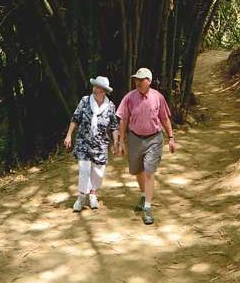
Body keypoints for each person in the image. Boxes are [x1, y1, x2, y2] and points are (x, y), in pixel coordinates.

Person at [114, 67, 176, 225]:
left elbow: (164, 118)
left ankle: (147, 207)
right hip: (134, 138)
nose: (138, 82)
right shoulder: (129, 97)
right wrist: (121, 141)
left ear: (149, 81)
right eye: (136, 79)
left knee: (149, 170)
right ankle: (143, 195)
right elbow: (123, 119)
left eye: (141, 80)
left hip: (154, 138)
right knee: (137, 170)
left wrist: (171, 137)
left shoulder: (158, 97)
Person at [64, 75, 118, 212]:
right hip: (84, 141)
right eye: (94, 86)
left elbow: (113, 126)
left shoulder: (110, 106)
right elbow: (75, 118)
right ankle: (81, 196)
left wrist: (116, 141)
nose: (94, 88)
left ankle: (93, 194)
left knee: (98, 171)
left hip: (100, 144)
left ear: (104, 91)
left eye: (98, 87)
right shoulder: (85, 101)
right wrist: (69, 135)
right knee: (84, 169)